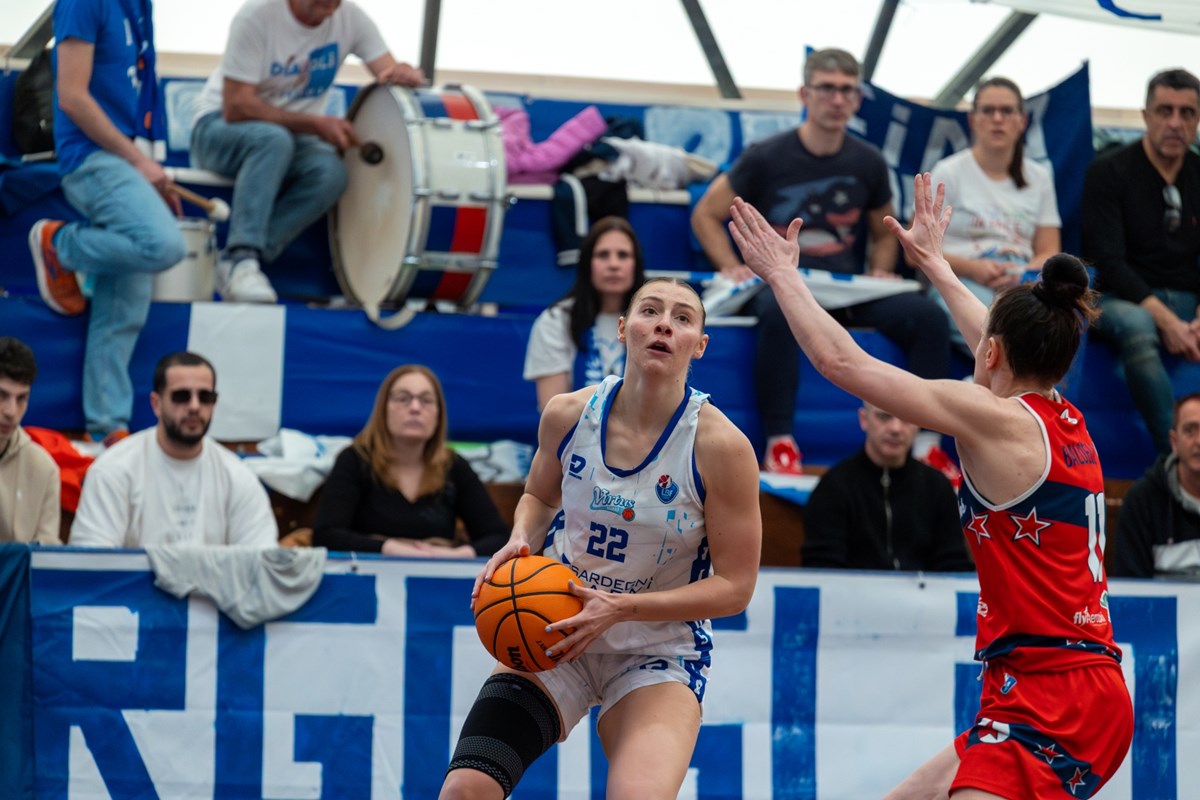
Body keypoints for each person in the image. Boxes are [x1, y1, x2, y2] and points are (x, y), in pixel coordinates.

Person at [729, 174, 1132, 799]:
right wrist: (935, 264)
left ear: (992, 355)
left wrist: (783, 275)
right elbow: (994, 338)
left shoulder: (997, 419)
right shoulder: (1060, 415)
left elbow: (844, 364)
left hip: (1056, 694)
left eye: (985, 346)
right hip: (1058, 682)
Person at [438, 278, 762, 800]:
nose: (664, 324)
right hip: (555, 624)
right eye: (650, 311)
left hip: (656, 647)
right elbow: (539, 497)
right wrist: (520, 537)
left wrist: (619, 608)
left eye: (682, 318)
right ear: (623, 329)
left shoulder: (721, 447)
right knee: (465, 790)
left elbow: (736, 588)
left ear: (700, 345)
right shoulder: (568, 414)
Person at [691, 47, 950, 474]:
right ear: (804, 94)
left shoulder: (868, 160)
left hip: (846, 290)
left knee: (928, 317)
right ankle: (780, 444)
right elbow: (705, 214)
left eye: (847, 90)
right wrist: (728, 264)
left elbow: (883, 228)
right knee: (775, 309)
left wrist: (882, 268)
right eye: (827, 88)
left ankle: (927, 444)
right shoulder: (765, 155)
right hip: (781, 285)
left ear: (857, 99)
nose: (837, 99)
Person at [189, 0, 424, 303]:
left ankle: (241, 259)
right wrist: (315, 124)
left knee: (331, 174)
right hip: (216, 128)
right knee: (274, 140)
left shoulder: (352, 18)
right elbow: (236, 107)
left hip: (285, 137)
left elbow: (388, 73)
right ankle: (240, 257)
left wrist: (403, 74)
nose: (330, 3)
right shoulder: (256, 16)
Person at [28, 0, 187, 446]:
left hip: (121, 157)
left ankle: (106, 428)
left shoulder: (140, 5)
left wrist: (150, 171)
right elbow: (72, 96)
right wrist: (138, 161)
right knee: (165, 245)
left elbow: (138, 97)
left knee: (123, 311)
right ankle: (62, 244)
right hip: (91, 159)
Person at [1081, 68, 1200, 456]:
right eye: (1165, 111)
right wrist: (1167, 321)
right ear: (1146, 115)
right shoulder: (1109, 170)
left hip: (1186, 299)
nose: (1175, 123)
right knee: (1138, 323)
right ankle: (1176, 459)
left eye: (1187, 113)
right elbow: (1108, 262)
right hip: (1120, 299)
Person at [70, 352, 278, 548]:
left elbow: (261, 558)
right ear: (156, 404)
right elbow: (92, 562)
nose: (194, 406)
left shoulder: (237, 476)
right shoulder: (113, 470)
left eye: (205, 397)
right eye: (181, 396)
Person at [312, 365, 509, 557]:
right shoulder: (355, 460)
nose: (415, 408)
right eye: (403, 398)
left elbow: (499, 538)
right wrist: (389, 549)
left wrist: (457, 554)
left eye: (426, 400)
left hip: (436, 574)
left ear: (439, 414)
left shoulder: (453, 466)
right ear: (383, 410)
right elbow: (326, 535)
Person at [930, 76, 1061, 351]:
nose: (997, 119)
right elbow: (918, 250)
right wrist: (973, 268)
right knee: (997, 336)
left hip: (1023, 284)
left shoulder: (1039, 178)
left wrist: (1021, 274)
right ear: (973, 120)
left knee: (1059, 329)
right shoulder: (947, 172)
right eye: (988, 110)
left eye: (1007, 111)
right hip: (959, 281)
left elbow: (1049, 250)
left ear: (1022, 121)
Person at [802, 401, 971, 571]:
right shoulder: (833, 487)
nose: (896, 428)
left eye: (906, 418)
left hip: (924, 588)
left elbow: (953, 565)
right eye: (883, 417)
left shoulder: (937, 487)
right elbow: (822, 568)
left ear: (919, 424)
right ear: (864, 419)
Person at [523, 216, 646, 411]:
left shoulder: (654, 322)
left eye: (623, 255)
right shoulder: (555, 321)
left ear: (636, 264)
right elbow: (554, 414)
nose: (614, 264)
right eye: (603, 255)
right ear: (587, 263)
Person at [1112, 392, 1200, 577]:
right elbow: (1131, 587)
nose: (1199, 441)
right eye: (1190, 430)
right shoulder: (1142, 501)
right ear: (1174, 441)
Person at [0, 338, 61, 545]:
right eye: (2, 395)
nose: (11, 412)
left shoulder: (44, 468)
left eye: (21, 399)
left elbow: (47, 556)